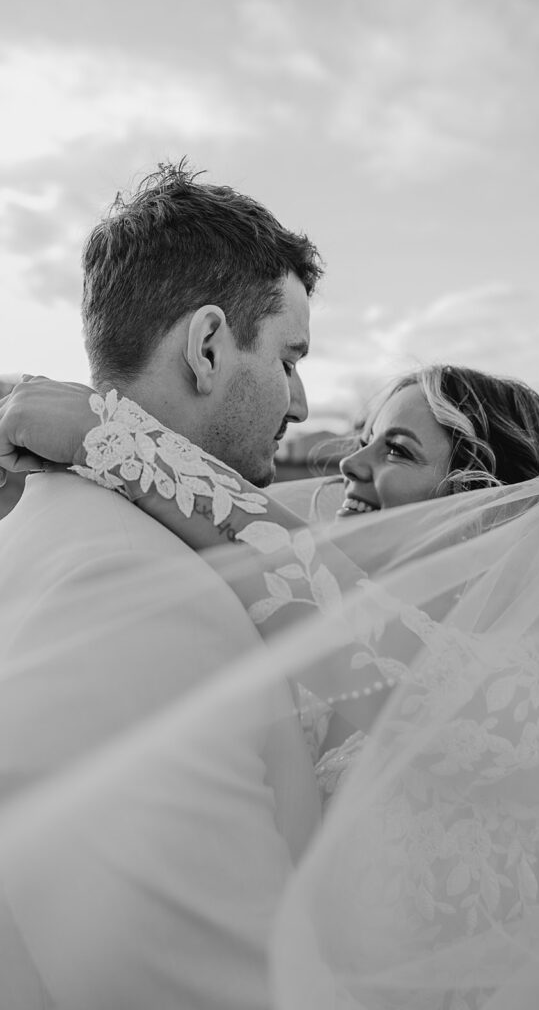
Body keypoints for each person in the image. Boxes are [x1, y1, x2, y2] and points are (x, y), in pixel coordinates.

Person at [1, 362, 539, 1009]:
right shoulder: (360, 649)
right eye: (364, 442)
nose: (350, 466)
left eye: (399, 451)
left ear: (488, 509)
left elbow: (318, 602)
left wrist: (116, 438)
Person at [0, 163, 326, 1009]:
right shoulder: (134, 595)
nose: (301, 398)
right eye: (290, 357)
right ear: (208, 345)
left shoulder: (49, 529)